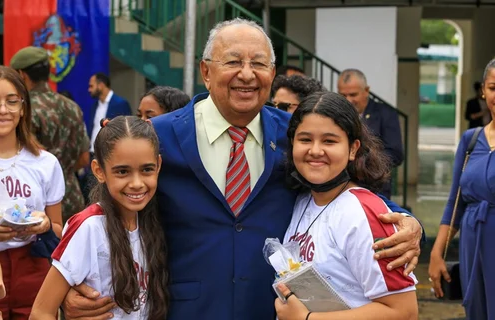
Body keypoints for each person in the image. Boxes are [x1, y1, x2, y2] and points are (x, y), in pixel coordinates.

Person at [61, 18, 423, 320]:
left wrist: (410, 223)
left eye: (259, 64)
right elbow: (107, 211)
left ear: (273, 72)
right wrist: (69, 289)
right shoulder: (161, 135)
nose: (247, 75)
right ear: (205, 71)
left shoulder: (296, 136)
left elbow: (352, 192)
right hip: (181, 310)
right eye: (233, 62)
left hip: (273, 310)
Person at [274, 91, 418, 320]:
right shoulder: (304, 201)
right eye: (305, 139)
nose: (315, 150)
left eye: (329, 141)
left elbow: (404, 311)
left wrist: (307, 319)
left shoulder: (362, 212)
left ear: (352, 149)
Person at [30, 116, 168, 320]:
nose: (137, 183)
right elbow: (41, 312)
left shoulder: (152, 222)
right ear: (99, 171)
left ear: (158, 165)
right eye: (122, 172)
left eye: (146, 169)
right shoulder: (88, 226)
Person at [0, 65, 64, 319]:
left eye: (12, 102)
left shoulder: (45, 163)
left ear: (23, 109)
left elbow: (57, 228)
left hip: (33, 266)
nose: (2, 110)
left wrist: (43, 224)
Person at [428, 58, 495, 320]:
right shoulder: (471, 140)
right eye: (493, 87)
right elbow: (455, 202)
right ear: (483, 91)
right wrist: (437, 252)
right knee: (476, 309)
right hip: (472, 242)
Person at [10, 46, 90, 223]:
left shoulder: (24, 110)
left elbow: (19, 161)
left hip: (37, 203)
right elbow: (84, 158)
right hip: (72, 199)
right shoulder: (72, 107)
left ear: (22, 75)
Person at [337, 69, 404, 199]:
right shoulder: (335, 114)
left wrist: (362, 163)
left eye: (353, 94)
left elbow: (396, 154)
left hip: (374, 188)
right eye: (343, 95)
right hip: (339, 188)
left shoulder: (386, 114)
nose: (348, 100)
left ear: (366, 91)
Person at [87, 73, 132, 153]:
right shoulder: (95, 106)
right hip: (93, 152)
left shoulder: (121, 104)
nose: (89, 90)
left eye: (91, 86)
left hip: (110, 153)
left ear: (100, 85)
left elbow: (127, 130)